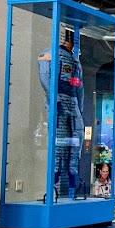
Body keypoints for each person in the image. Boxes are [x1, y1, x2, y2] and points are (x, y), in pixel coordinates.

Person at [39, 26, 84, 200]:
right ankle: (54, 182)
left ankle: (73, 174)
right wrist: (54, 99)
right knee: (58, 143)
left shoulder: (75, 61)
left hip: (72, 102)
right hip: (58, 101)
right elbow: (45, 77)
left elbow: (79, 86)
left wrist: (80, 107)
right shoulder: (49, 54)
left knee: (76, 139)